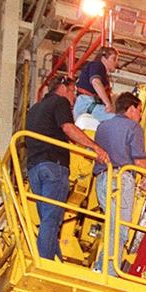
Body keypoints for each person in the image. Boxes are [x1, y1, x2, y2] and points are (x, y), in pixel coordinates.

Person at [25, 76, 109, 260]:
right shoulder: (60, 101)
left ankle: (55, 259)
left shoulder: (35, 109)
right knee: (51, 219)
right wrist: (95, 147)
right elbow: (68, 128)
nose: (73, 99)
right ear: (63, 88)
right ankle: (45, 264)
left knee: (48, 219)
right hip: (54, 166)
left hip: (34, 168)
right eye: (73, 93)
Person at [94, 91, 146, 276]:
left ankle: (101, 267)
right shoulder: (133, 128)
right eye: (140, 111)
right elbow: (140, 160)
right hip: (121, 180)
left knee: (111, 226)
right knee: (120, 230)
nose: (140, 116)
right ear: (131, 108)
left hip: (101, 180)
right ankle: (109, 273)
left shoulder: (102, 126)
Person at [74, 47, 118, 123]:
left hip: (86, 105)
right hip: (88, 103)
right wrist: (107, 103)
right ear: (103, 58)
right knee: (118, 122)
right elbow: (95, 82)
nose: (116, 63)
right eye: (114, 59)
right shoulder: (97, 65)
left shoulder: (102, 75)